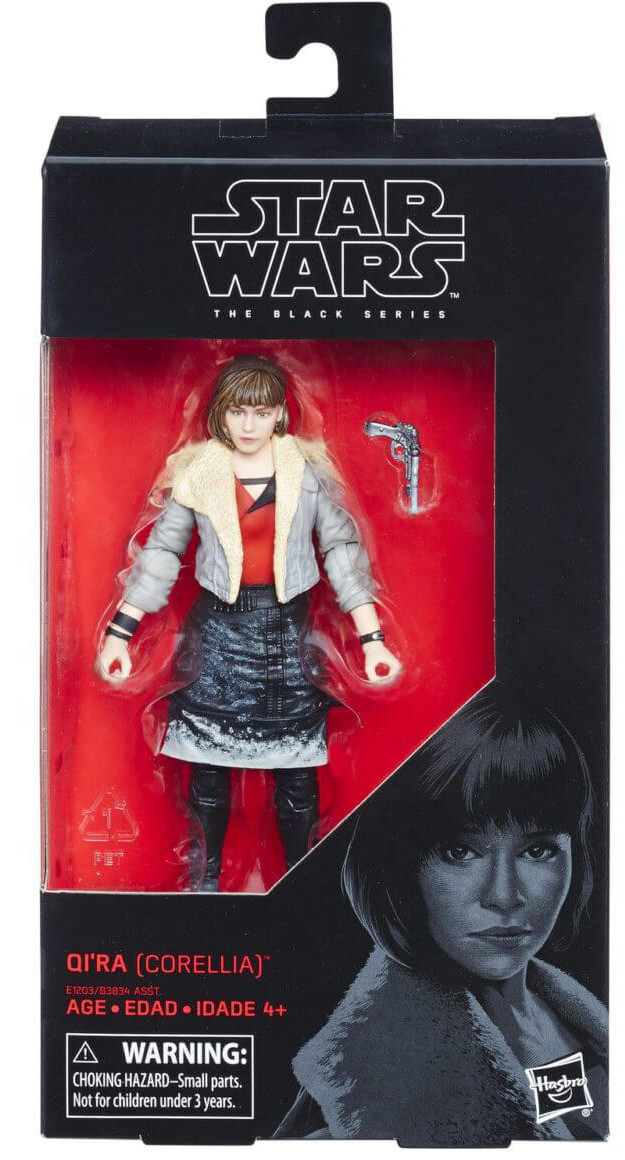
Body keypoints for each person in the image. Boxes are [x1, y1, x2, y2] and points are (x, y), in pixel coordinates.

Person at [95, 355, 400, 891]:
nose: (249, 425)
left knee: (297, 776)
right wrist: (121, 632)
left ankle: (302, 884)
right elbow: (162, 552)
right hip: (217, 635)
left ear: (280, 413)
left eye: (261, 412)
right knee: (206, 771)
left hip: (288, 638)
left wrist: (371, 639)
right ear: (220, 413)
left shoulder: (307, 474)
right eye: (238, 412)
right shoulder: (199, 473)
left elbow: (342, 552)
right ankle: (205, 883)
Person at [276, 683, 607, 1144]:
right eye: (460, 851)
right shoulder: (351, 1113)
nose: (504, 895)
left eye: (537, 850)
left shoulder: (574, 1019)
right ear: (401, 862)